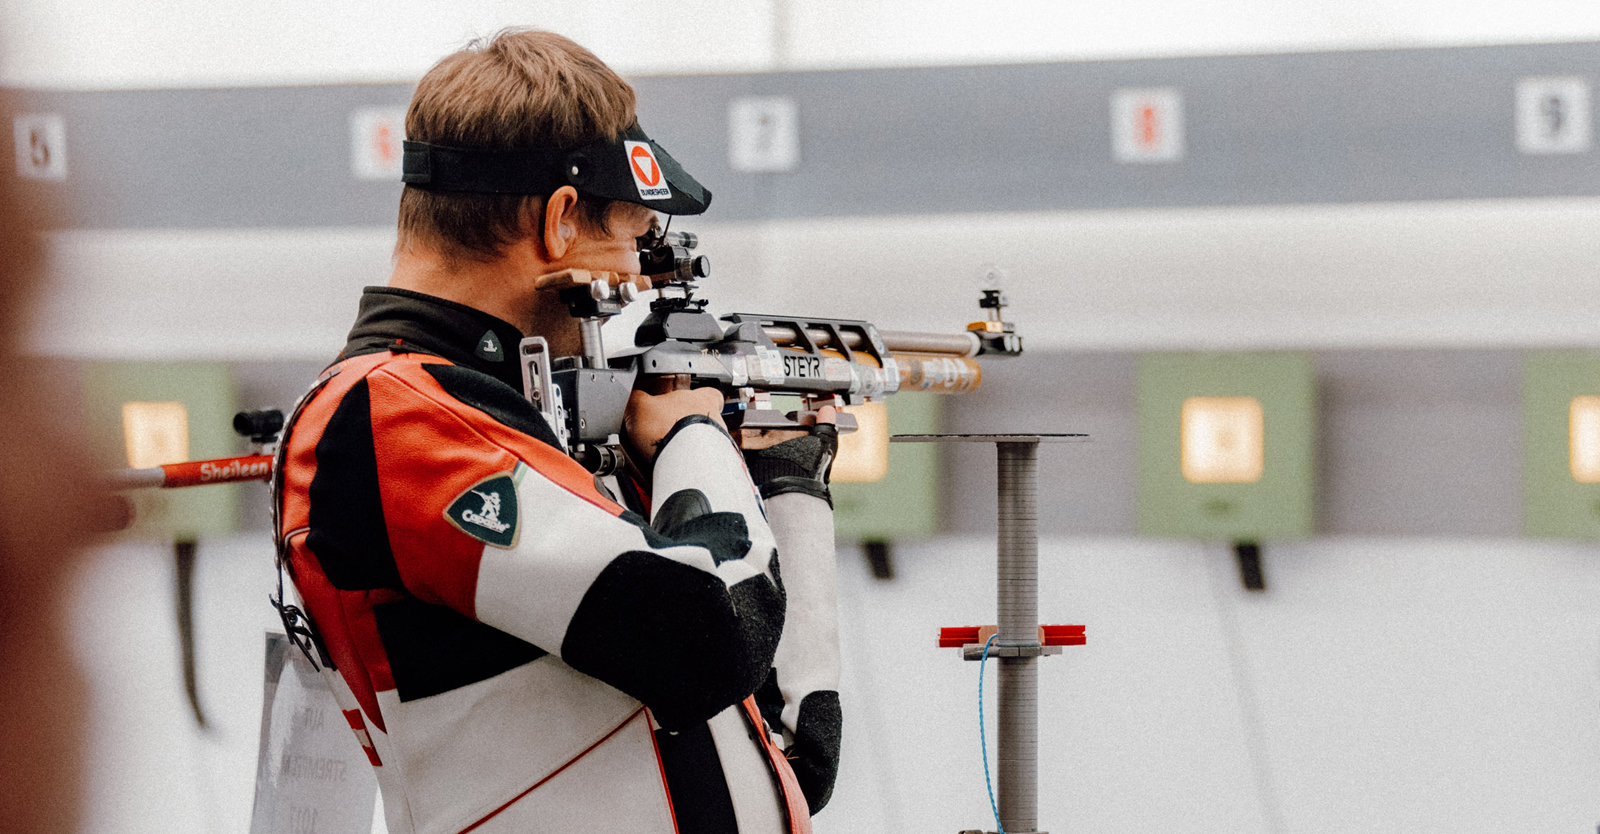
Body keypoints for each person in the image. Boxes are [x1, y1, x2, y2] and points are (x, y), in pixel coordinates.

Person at [271, 28, 841, 834]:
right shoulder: (384, 416)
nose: (638, 277)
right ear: (561, 221)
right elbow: (707, 639)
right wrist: (693, 440)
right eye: (633, 237)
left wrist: (787, 487)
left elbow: (798, 756)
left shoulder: (534, 421)